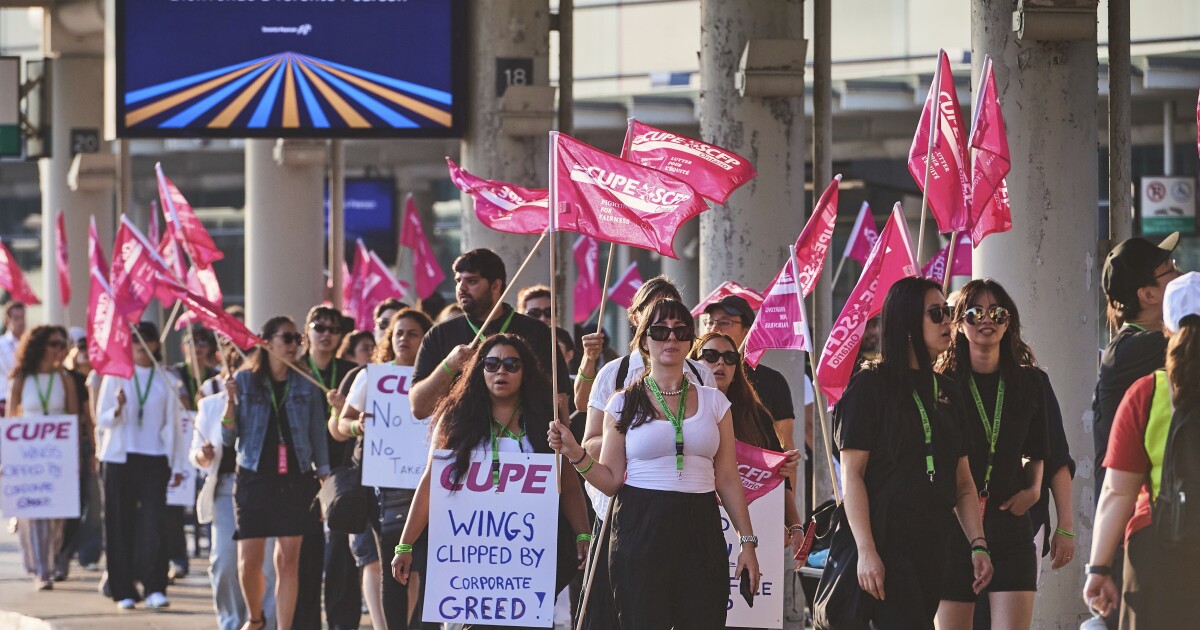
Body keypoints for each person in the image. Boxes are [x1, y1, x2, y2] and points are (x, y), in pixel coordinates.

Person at [548, 299, 760, 629]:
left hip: (700, 523)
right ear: (644, 340)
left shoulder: (715, 401)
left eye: (681, 332)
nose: (671, 340)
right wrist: (576, 453)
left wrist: (747, 543)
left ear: (691, 340)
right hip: (640, 524)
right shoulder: (622, 401)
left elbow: (728, 478)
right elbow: (611, 480)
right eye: (660, 331)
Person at [815, 277, 991, 629]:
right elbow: (853, 476)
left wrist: (978, 544)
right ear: (908, 322)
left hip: (932, 543)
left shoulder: (949, 392)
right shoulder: (870, 385)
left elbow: (964, 485)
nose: (948, 322)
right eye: (937, 313)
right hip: (883, 541)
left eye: (949, 312)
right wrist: (867, 551)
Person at [391, 334, 592, 629]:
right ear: (478, 369)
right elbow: (431, 483)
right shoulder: (454, 419)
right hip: (472, 562)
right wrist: (405, 545)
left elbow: (570, 484)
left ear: (525, 372)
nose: (501, 371)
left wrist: (583, 534)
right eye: (491, 364)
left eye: (512, 364)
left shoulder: (545, 420)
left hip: (531, 561)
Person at [572, 275, 715, 629]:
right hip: (625, 511)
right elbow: (590, 440)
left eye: (678, 324)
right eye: (656, 319)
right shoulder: (615, 373)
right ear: (638, 319)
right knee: (618, 613)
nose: (669, 332)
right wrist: (631, 445)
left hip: (688, 512)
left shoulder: (700, 374)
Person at [1084, 272, 1200, 629]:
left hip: (1156, 553)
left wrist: (1099, 569)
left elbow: (1117, 491)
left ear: (1165, 328)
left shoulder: (1148, 392)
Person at [935, 279, 1049, 630]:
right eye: (974, 312)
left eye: (998, 312)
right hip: (954, 529)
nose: (987, 320)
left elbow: (1039, 450)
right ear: (958, 323)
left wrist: (1033, 490)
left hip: (1010, 523)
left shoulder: (1031, 382)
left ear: (1009, 320)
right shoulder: (942, 384)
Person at [222, 316, 330, 630]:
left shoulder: (306, 383)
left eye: (298, 338)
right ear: (266, 343)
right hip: (254, 476)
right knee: (249, 562)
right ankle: (255, 618)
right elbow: (229, 438)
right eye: (287, 338)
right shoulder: (243, 381)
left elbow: (316, 434)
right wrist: (230, 404)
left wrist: (323, 477)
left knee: (287, 561)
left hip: (295, 479)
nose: (295, 344)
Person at [334, 308, 438, 630]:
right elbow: (339, 425)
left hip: (428, 486)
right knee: (394, 567)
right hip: (384, 493)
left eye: (412, 333)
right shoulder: (371, 377)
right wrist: (357, 426)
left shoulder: (439, 379)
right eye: (398, 333)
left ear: (426, 340)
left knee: (428, 566)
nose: (404, 339)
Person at [407, 248, 571, 421]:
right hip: (461, 443)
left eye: (472, 281)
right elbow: (419, 409)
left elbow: (559, 399)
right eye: (458, 281)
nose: (461, 288)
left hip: (524, 443)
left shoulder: (537, 332)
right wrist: (449, 366)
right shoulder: (439, 334)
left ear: (495, 285)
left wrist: (563, 443)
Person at [96, 322, 189, 610]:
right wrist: (118, 409)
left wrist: (177, 464)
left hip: (154, 458)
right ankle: (122, 589)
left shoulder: (165, 378)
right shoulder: (116, 374)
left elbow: (174, 425)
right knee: (119, 522)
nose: (140, 345)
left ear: (155, 344)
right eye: (134, 340)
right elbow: (102, 419)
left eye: (146, 340)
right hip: (120, 458)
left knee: (154, 523)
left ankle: (155, 586)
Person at [690, 331, 804, 564]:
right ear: (693, 363)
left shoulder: (757, 416)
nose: (720, 362)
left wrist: (795, 526)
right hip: (692, 525)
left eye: (730, 358)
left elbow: (778, 480)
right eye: (710, 355)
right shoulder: (677, 412)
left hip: (749, 530)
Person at [192, 348, 278, 630]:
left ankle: (264, 622)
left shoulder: (272, 401)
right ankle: (231, 623)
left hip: (266, 488)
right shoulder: (210, 405)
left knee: (266, 566)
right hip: (227, 488)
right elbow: (196, 454)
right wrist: (203, 456)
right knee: (226, 562)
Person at [298, 305, 359, 630]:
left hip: (341, 474)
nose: (325, 334)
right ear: (306, 330)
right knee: (304, 559)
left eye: (332, 329)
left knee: (341, 559)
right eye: (318, 326)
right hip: (301, 475)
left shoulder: (351, 372)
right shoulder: (293, 370)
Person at [6, 325, 80, 590]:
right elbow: (12, 418)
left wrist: (78, 458)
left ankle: (52, 557)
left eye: (63, 345)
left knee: (57, 517)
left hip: (58, 457)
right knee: (35, 515)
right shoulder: (22, 379)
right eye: (55, 344)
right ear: (40, 347)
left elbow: (73, 417)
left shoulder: (65, 379)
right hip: (30, 458)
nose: (60, 350)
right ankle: (41, 569)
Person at [167, 327, 219, 581]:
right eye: (192, 341)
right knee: (177, 503)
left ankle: (212, 552)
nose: (197, 347)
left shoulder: (216, 378)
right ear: (183, 346)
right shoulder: (173, 373)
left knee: (209, 497)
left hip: (207, 447)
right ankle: (178, 559)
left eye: (202, 342)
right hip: (181, 445)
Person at [62, 328, 103, 572]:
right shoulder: (68, 378)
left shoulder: (100, 378)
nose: (85, 353)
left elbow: (92, 418)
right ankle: (65, 551)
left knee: (94, 500)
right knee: (72, 501)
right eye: (81, 347)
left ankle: (89, 552)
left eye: (90, 348)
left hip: (92, 444)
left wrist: (95, 449)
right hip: (70, 445)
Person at [0, 301, 28, 415]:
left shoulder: (30, 345)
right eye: (16, 318)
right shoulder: (1, 344)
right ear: (7, 320)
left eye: (22, 317)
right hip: (4, 399)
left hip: (26, 400)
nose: (21, 322)